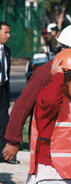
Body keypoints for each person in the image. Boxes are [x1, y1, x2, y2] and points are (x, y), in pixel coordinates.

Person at [2, 24, 71, 162]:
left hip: (70, 149)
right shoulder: (45, 73)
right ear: (64, 49)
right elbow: (22, 106)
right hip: (47, 148)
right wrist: (13, 141)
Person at [26, 49, 71, 184]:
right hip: (51, 174)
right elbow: (51, 100)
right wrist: (58, 76)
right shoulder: (47, 98)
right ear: (65, 80)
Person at [0, 21, 18, 164]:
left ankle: (2, 154)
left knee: (4, 122)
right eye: (6, 32)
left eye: (9, 32)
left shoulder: (7, 50)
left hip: (3, 90)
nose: (9, 35)